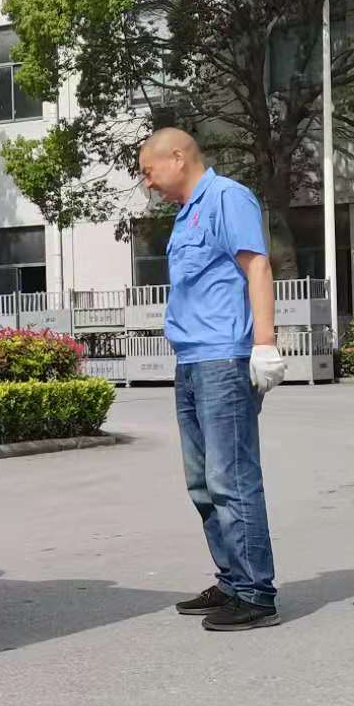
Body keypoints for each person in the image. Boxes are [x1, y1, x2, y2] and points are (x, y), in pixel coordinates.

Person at [138, 128, 285, 632]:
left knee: (232, 477)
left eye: (149, 171)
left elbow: (257, 267)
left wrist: (263, 344)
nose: (148, 183)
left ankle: (256, 594)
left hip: (224, 360)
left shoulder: (227, 198)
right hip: (192, 360)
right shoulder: (187, 215)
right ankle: (232, 580)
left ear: (177, 157)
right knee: (202, 481)